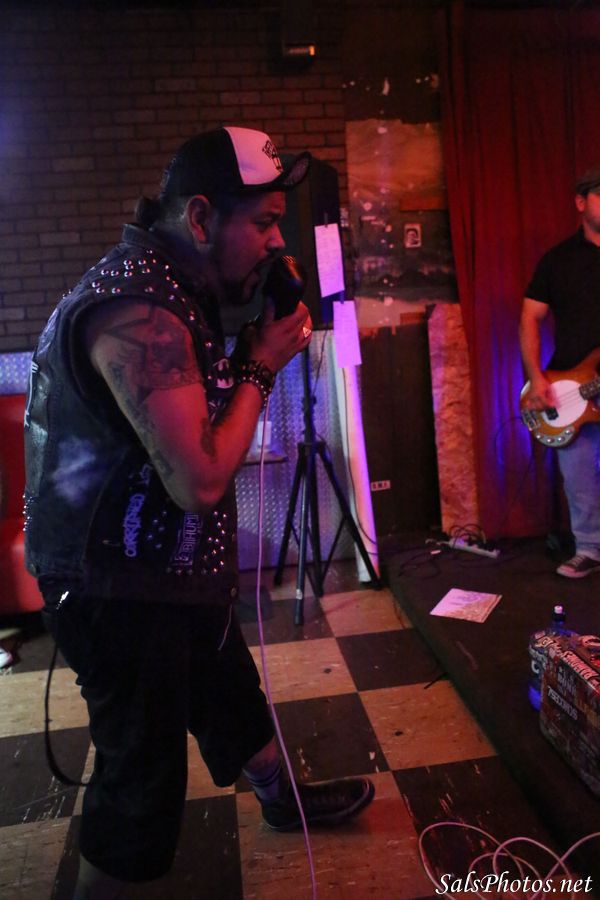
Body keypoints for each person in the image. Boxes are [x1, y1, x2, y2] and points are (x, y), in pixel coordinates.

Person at [24, 126, 374, 900]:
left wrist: (266, 310)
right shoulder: (135, 310)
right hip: (114, 585)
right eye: (266, 222)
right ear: (202, 217)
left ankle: (283, 802)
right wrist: (260, 364)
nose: (278, 241)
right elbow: (202, 480)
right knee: (141, 778)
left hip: (169, 569)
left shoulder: (179, 285)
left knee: (228, 692)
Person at [519, 164, 600, 578]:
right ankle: (589, 548)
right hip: (573, 383)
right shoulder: (557, 261)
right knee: (579, 475)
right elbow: (529, 318)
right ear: (580, 202)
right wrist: (536, 377)